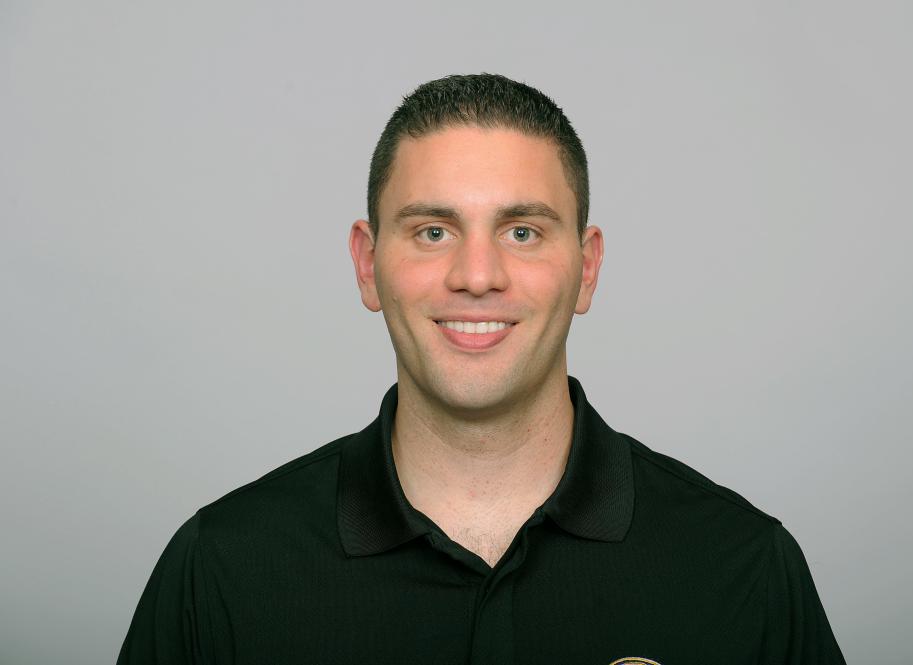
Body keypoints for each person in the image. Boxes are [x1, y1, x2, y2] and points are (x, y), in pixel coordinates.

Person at [118, 74, 846, 664]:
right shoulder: (221, 568)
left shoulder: (743, 566)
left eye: (521, 231)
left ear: (587, 269)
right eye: (433, 231)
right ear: (367, 265)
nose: (476, 274)